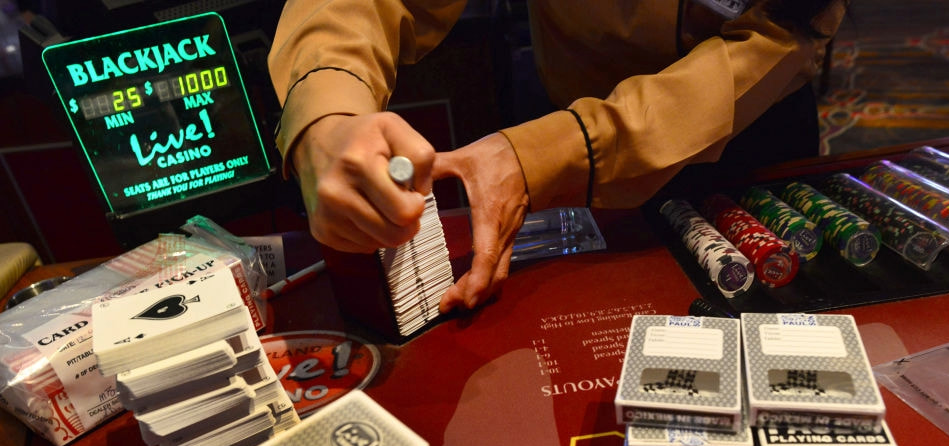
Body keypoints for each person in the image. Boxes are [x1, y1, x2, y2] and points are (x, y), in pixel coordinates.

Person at [267, 0, 847, 314]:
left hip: (749, 137)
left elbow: (779, 36)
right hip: (563, 141)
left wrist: (542, 156)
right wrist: (328, 107)